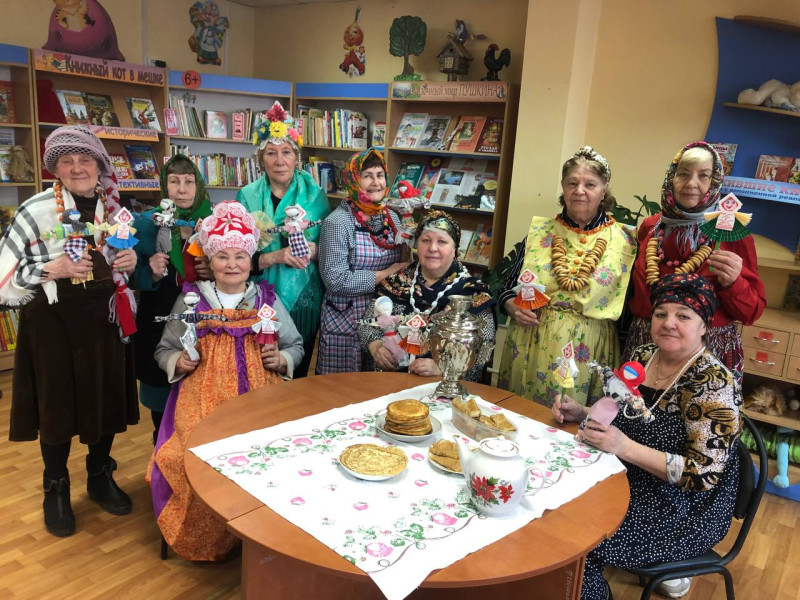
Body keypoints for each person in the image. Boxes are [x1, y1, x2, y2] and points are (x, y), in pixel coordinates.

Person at [554, 274, 742, 600]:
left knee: (578, 538)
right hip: (625, 474)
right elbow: (623, 415)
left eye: (683, 316)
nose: (668, 323)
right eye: (660, 313)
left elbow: (701, 475)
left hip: (680, 507)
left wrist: (623, 447)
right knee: (552, 505)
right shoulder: (643, 355)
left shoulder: (713, 383)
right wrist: (582, 413)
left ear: (704, 326)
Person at [0, 125, 138, 537]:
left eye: (85, 159)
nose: (77, 168)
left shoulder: (114, 209)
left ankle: (99, 475)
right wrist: (51, 268)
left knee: (105, 397)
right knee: (57, 404)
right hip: (53, 326)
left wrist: (129, 261)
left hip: (104, 322)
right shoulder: (34, 210)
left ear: (99, 165)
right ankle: (56, 486)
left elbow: (120, 262)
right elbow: (3, 276)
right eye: (66, 160)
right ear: (54, 168)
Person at [149, 200, 304, 561]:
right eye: (222, 257)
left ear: (251, 260)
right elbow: (164, 349)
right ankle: (210, 538)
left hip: (259, 400)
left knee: (269, 454)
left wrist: (282, 359)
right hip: (201, 400)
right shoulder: (191, 301)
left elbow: (295, 344)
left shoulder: (266, 299)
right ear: (209, 259)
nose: (232, 264)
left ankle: (259, 533)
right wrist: (178, 361)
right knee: (191, 458)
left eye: (240, 256)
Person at [497, 146, 637, 406]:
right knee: (524, 416)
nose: (579, 190)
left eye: (590, 184)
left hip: (591, 347)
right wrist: (511, 306)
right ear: (563, 186)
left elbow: (629, 306)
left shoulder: (625, 240)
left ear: (604, 190)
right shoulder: (540, 233)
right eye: (572, 183)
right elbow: (506, 288)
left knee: (573, 421)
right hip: (531, 342)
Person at [623, 141, 766, 384]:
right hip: (646, 346)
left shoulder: (731, 232)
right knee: (636, 407)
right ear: (671, 178)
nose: (691, 183)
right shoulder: (650, 227)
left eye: (703, 176)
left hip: (706, 352)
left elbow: (752, 312)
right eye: (683, 174)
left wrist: (733, 283)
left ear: (715, 182)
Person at [237, 101, 330, 378]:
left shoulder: (316, 196)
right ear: (260, 159)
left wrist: (315, 250)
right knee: (257, 370)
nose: (280, 161)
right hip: (256, 296)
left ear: (296, 157)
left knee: (295, 369)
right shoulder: (246, 196)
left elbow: (333, 250)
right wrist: (275, 257)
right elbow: (234, 253)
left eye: (286, 152)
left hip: (304, 298)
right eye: (271, 153)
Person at [131, 154, 212, 444]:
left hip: (203, 320)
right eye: (174, 181)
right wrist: (149, 273)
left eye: (189, 181)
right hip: (159, 319)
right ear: (165, 187)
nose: (182, 189)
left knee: (202, 399)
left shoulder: (213, 220)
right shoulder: (147, 223)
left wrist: (214, 269)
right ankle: (162, 449)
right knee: (163, 401)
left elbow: (236, 265)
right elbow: (127, 275)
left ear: (198, 186)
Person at [359, 210, 495, 380]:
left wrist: (444, 368)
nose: (432, 248)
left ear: (455, 249)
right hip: (391, 379)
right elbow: (367, 324)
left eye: (442, 241)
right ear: (417, 245)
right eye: (426, 240)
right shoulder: (396, 281)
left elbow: (485, 347)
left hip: (445, 386)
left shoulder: (472, 292)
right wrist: (376, 346)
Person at [316, 148, 408, 374]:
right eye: (367, 176)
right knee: (344, 388)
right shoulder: (337, 222)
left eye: (380, 175)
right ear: (354, 180)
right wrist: (386, 274)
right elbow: (335, 280)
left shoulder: (392, 217)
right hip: (346, 319)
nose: (376, 183)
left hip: (382, 318)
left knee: (378, 386)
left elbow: (404, 265)